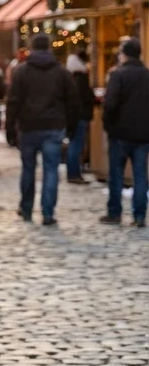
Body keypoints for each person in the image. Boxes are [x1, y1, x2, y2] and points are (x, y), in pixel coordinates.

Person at [6, 33, 79, 226]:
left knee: (28, 169)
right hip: (54, 127)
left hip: (29, 127)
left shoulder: (22, 71)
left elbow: (13, 101)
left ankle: (27, 208)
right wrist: (71, 127)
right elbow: (72, 102)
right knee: (51, 170)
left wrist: (10, 128)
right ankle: (48, 213)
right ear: (49, 48)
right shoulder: (61, 72)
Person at [101, 38, 149, 227]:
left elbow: (111, 104)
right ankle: (139, 215)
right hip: (143, 134)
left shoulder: (118, 75)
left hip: (120, 133)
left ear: (124, 54)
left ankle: (114, 213)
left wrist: (108, 125)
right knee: (140, 176)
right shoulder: (147, 75)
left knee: (116, 175)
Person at [64, 50, 95, 185]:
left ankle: (73, 173)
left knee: (74, 144)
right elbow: (84, 98)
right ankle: (74, 173)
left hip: (74, 116)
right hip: (80, 116)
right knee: (76, 145)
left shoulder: (71, 79)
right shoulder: (81, 79)